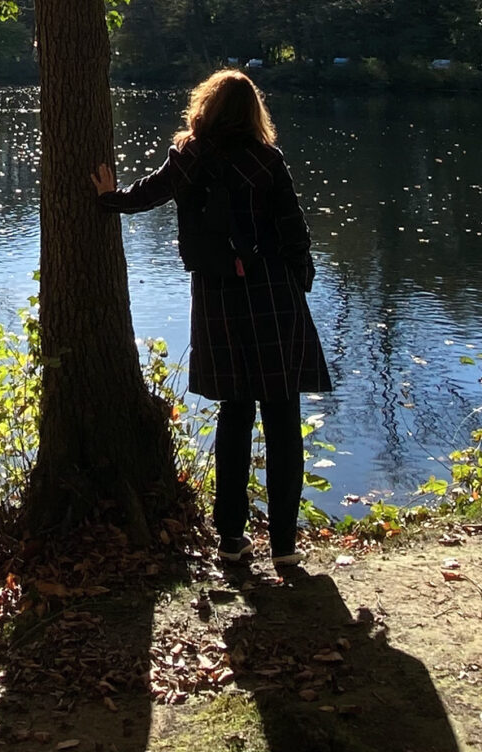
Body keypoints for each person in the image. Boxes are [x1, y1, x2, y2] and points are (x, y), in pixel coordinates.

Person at [94, 70, 332, 571]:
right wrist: (296, 282)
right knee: (283, 418)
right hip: (274, 299)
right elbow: (295, 231)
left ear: (207, 106)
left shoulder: (191, 156)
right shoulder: (269, 162)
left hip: (221, 299)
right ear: (253, 114)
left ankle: (231, 538)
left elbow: (147, 195)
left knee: (235, 414)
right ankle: (285, 545)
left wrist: (106, 197)